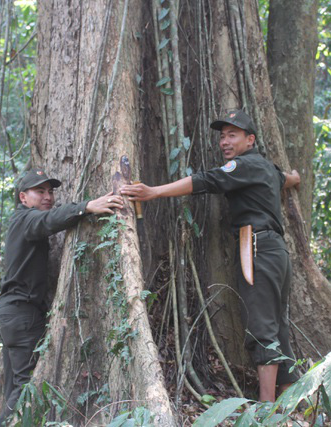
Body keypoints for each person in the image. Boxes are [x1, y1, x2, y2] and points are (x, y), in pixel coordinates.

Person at [120, 109, 301, 402]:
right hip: (277, 251)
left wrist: (154, 192)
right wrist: (295, 177)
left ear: (250, 139)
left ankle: (268, 410)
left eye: (232, 135)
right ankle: (290, 405)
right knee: (278, 326)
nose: (224, 142)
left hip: (255, 248)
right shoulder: (266, 168)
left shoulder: (241, 166)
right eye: (222, 136)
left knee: (262, 327)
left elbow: (204, 181)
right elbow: (286, 178)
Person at [0, 168, 123, 426]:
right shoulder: (26, 219)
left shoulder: (22, 220)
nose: (48, 196)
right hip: (21, 315)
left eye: (50, 191)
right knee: (24, 389)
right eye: (39, 191)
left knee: (14, 390)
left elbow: (49, 218)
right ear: (23, 197)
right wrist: (87, 206)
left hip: (11, 314)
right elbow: (48, 221)